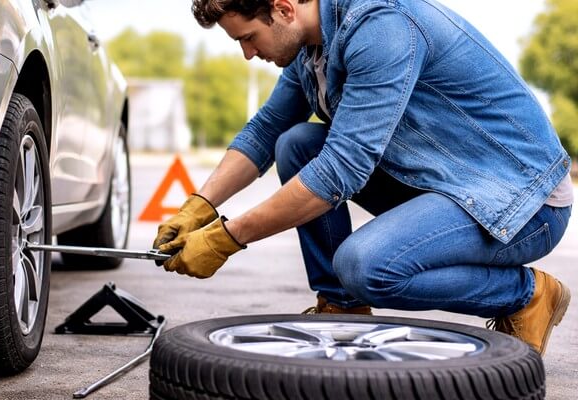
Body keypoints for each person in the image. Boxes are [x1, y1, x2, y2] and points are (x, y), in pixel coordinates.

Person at [152, 0, 573, 356]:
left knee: (367, 266)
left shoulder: (381, 28)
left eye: (247, 38)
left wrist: (227, 237)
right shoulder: (312, 48)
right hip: (448, 184)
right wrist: (200, 206)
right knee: (298, 143)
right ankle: (343, 309)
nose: (247, 53)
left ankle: (525, 295)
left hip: (521, 202)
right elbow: (266, 131)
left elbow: (341, 169)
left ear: (282, 9)